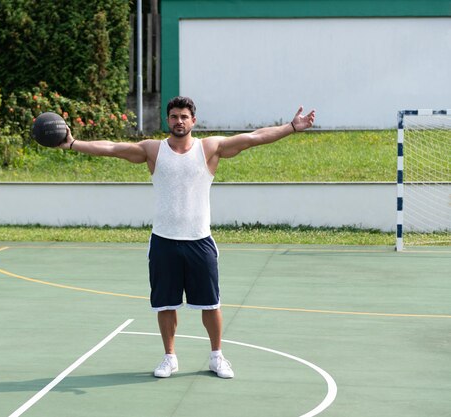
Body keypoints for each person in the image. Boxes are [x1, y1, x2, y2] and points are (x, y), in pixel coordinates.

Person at [58, 96, 315, 379]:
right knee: (165, 304)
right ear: (167, 121)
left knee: (210, 305)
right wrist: (73, 143)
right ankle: (170, 357)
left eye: (183, 116)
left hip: (199, 241)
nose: (178, 121)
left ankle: (217, 356)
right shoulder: (152, 150)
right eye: (174, 117)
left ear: (193, 120)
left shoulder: (209, 148)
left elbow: (253, 137)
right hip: (163, 241)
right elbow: (113, 148)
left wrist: (291, 126)